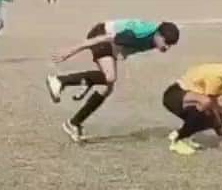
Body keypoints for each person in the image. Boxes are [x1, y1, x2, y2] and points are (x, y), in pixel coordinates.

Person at [47, 20, 181, 143]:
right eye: (166, 42)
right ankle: (60, 80)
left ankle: (73, 123)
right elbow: (102, 38)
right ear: (158, 34)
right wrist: (70, 51)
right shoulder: (138, 34)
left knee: (107, 88)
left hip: (111, 45)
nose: (167, 47)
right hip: (101, 34)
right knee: (110, 77)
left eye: (171, 45)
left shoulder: (155, 38)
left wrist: (122, 53)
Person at [163, 48, 222, 156]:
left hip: (191, 100)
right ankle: (178, 141)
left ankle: (182, 133)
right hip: (174, 96)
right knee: (206, 103)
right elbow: (211, 105)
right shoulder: (219, 75)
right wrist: (221, 137)